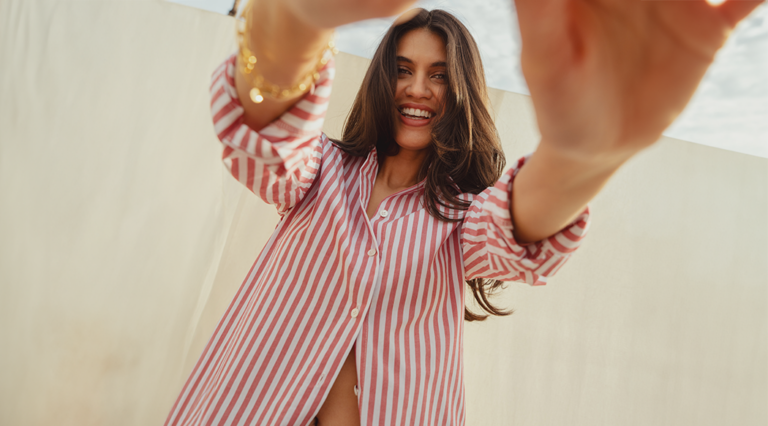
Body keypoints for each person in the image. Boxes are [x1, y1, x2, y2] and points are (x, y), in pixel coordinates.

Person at [165, 0, 762, 425]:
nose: (418, 89)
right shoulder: (319, 172)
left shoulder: (463, 219)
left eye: (440, 76)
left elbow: (516, 228)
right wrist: (290, 24)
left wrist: (581, 154)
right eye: (403, 70)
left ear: (462, 92)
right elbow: (268, 139)